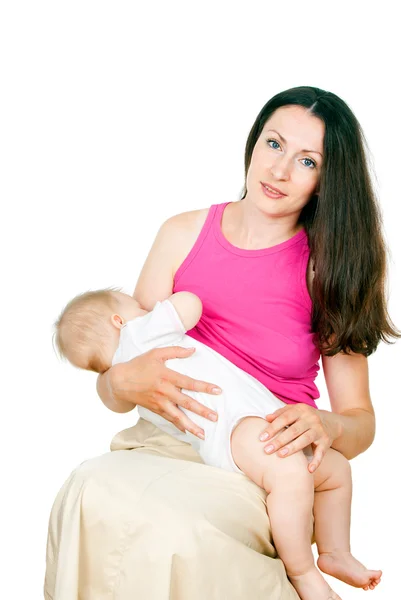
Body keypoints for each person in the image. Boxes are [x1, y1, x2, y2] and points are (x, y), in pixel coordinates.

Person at [44, 86, 401, 600]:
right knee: (88, 487)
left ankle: (308, 571)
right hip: (172, 437)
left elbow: (361, 424)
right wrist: (120, 382)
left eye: (306, 161)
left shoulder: (330, 270)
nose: (279, 171)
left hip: (260, 451)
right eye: (274, 145)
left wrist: (327, 423)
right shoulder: (182, 233)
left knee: (177, 527)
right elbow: (119, 363)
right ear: (253, 143)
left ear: (326, 181)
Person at [53, 286, 382, 600]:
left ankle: (335, 552)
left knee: (335, 469)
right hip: (236, 429)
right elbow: (190, 305)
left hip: (241, 426)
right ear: (118, 321)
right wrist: (162, 308)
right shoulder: (140, 336)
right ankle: (303, 572)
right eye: (135, 305)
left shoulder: (134, 379)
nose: (145, 306)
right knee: (292, 477)